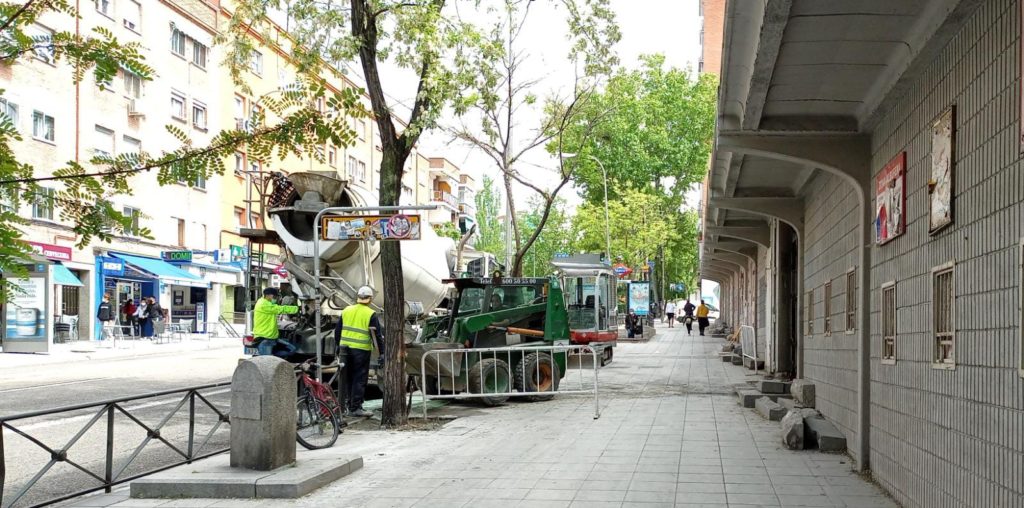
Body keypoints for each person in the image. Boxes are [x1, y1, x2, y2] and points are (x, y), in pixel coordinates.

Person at [334, 286, 384, 418]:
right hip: (361, 351)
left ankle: (347, 406)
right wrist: (382, 353)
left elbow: (337, 330)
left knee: (348, 378)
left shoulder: (347, 310)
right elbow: (377, 335)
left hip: (345, 349)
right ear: (370, 299)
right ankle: (355, 408)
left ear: (358, 297)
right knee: (359, 379)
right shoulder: (370, 313)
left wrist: (338, 346)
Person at [253, 287, 300, 357]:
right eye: (274, 296)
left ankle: (275, 359)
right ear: (269, 295)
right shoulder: (263, 304)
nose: (275, 298)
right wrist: (297, 309)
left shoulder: (266, 303)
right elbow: (279, 309)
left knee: (292, 349)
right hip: (265, 338)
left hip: (271, 338)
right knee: (268, 362)